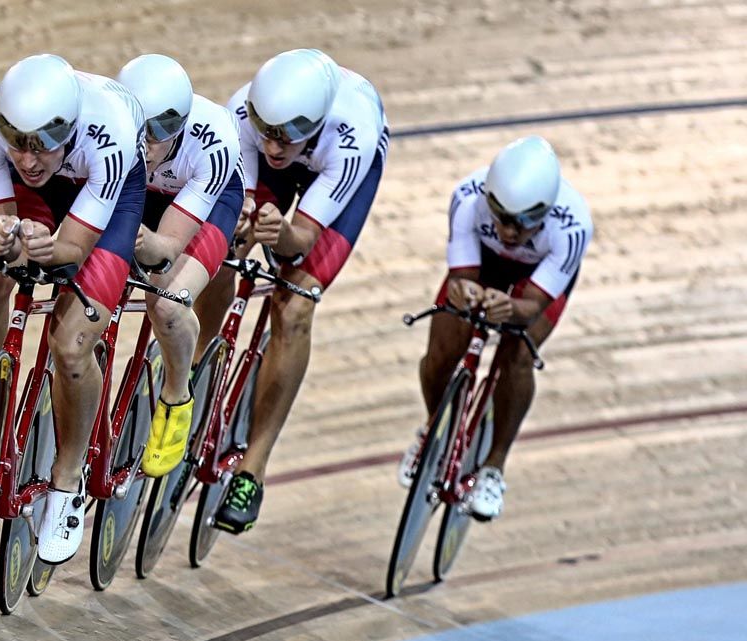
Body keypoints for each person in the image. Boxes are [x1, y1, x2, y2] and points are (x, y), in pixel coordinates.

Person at [0, 54, 146, 564]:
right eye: (18, 144)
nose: (28, 158)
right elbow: (1, 223)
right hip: (46, 197)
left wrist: (48, 247)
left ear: (68, 129)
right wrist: (4, 238)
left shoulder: (107, 133)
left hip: (106, 197)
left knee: (71, 345)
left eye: (42, 144)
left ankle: (67, 483)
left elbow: (71, 249)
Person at [196, 49, 390, 534]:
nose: (274, 145)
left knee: (296, 304)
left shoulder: (351, 134)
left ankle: (252, 470)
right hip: (279, 170)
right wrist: (244, 220)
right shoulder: (242, 116)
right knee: (218, 248)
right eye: (266, 130)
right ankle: (198, 362)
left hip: (339, 173)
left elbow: (300, 239)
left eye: (286, 135)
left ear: (317, 121)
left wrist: (277, 231)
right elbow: (235, 202)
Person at [398, 135, 593, 521]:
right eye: (501, 216)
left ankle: (493, 466)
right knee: (442, 349)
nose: (509, 230)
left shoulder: (572, 228)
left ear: (547, 211)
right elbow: (462, 277)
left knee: (518, 356)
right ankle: (433, 430)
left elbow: (533, 307)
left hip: (534, 280)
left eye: (524, 223)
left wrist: (512, 309)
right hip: (484, 264)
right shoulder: (467, 198)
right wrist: (467, 292)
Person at [114, 54, 245, 478]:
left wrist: (147, 244)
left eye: (161, 133)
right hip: (145, 192)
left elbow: (167, 248)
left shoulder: (214, 141)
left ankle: (176, 395)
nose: (146, 144)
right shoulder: (108, 130)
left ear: (182, 128)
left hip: (205, 203)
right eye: (139, 130)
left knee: (168, 302)